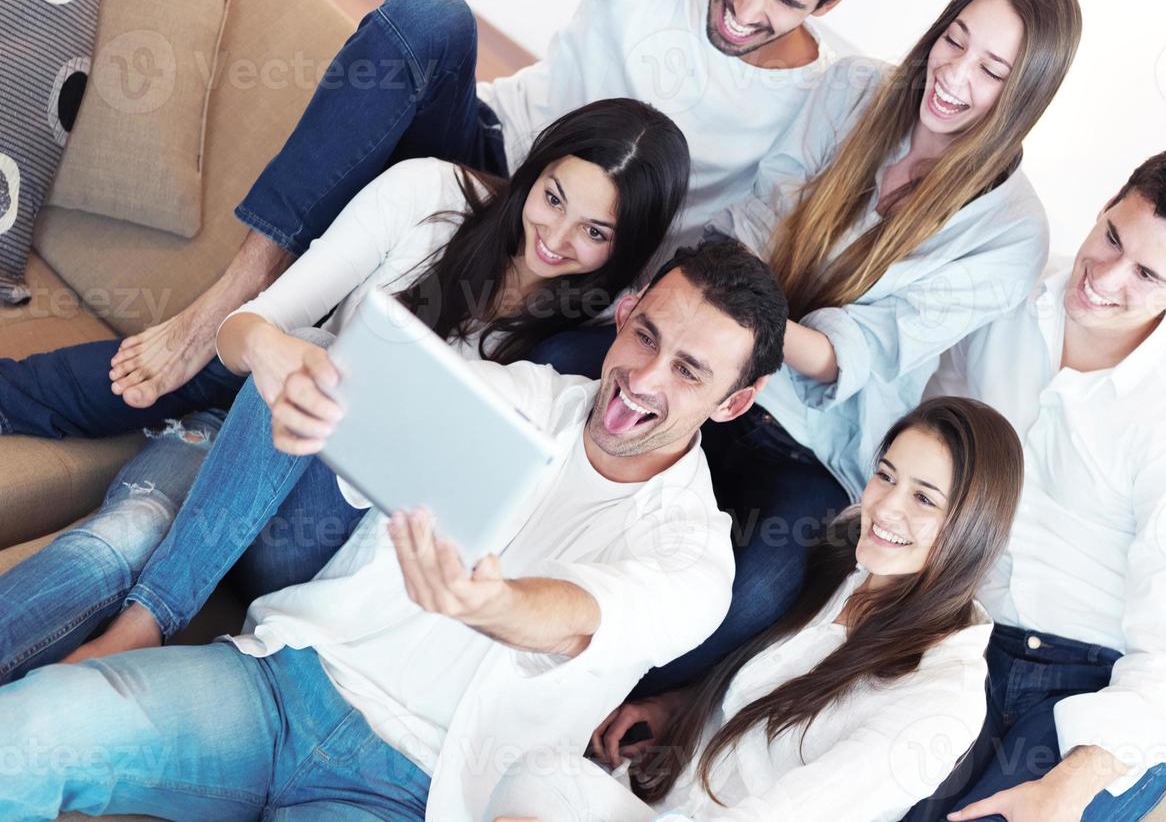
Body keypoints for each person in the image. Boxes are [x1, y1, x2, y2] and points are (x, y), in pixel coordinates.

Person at [0, 239, 791, 821]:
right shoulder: (507, 398)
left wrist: (491, 602)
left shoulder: (694, 556)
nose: (645, 378)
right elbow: (298, 360)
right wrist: (278, 355)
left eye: (689, 371)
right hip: (282, 680)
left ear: (732, 404)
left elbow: (576, 616)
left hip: (408, 786)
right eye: (646, 336)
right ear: (623, 315)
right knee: (32, 725)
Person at [86, 0, 894, 412]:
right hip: (488, 160)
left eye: (785, 2)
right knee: (426, 18)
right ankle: (234, 299)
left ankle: (264, 393)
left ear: (824, 8)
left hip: (589, 258)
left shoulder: (819, 99)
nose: (747, 10)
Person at [0, 98, 691, 682]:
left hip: (335, 544)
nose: (555, 236)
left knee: (334, 357)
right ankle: (132, 631)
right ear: (534, 172)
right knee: (128, 532)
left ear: (624, 249)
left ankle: (146, 621)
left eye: (594, 232)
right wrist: (271, 348)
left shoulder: (590, 347)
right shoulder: (428, 197)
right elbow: (246, 328)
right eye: (552, 198)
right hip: (245, 446)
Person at [630, 0, 1082, 697]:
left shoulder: (1012, 234)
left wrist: (749, 320)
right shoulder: (851, 92)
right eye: (953, 40)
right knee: (573, 388)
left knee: (754, 593)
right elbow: (755, 225)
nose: (954, 75)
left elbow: (858, 351)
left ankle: (602, 706)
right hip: (709, 361)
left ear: (1023, 97)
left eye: (991, 70)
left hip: (809, 444)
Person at [905, 150, 1166, 821]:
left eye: (1147, 275)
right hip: (966, 629)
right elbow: (923, 425)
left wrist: (1073, 781)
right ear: (1105, 204)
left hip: (1095, 680)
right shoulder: (1011, 286)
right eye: (1111, 237)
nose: (1103, 276)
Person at [483, 395, 1024, 822]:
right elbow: (765, 687)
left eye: (924, 499)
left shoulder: (941, 702)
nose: (885, 507)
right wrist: (679, 706)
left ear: (973, 530)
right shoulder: (849, 562)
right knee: (536, 770)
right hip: (665, 792)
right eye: (886, 475)